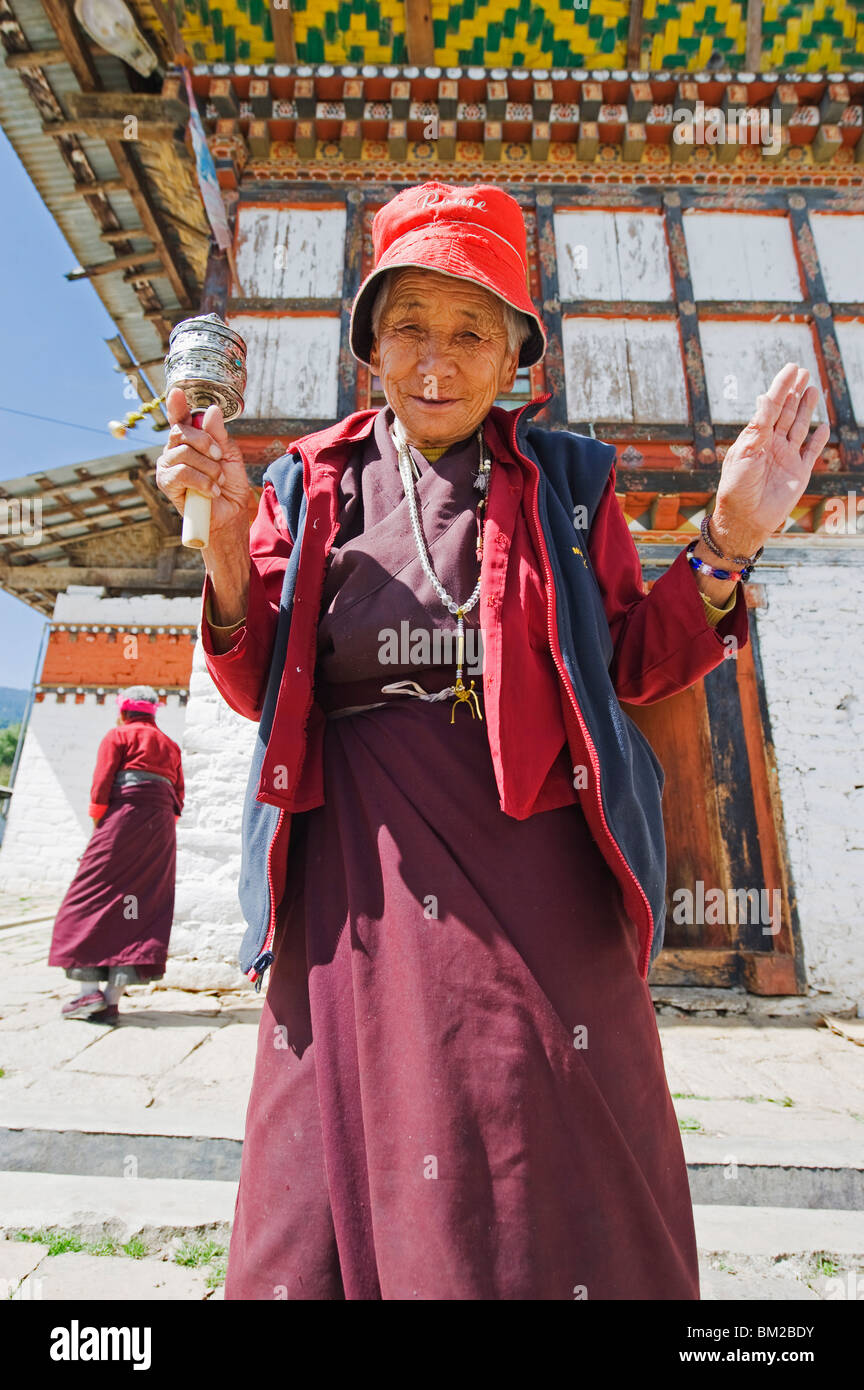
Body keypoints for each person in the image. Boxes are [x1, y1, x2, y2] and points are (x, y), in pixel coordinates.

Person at [156, 182, 828, 1300]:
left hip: (537, 878)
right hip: (354, 885)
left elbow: (632, 664)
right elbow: (254, 675)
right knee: (309, 1210)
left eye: (473, 330)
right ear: (371, 344)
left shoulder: (568, 485)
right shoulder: (308, 483)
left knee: (548, 1172)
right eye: (410, 324)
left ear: (518, 353)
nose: (437, 357)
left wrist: (729, 539)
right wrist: (226, 546)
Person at [49, 684, 184, 1024]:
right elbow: (178, 797)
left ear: (124, 711)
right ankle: (110, 1002)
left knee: (87, 897)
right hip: (161, 828)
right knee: (138, 903)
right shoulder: (171, 745)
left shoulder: (118, 736)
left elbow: (102, 784)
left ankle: (87, 993)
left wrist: (99, 821)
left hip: (122, 817)